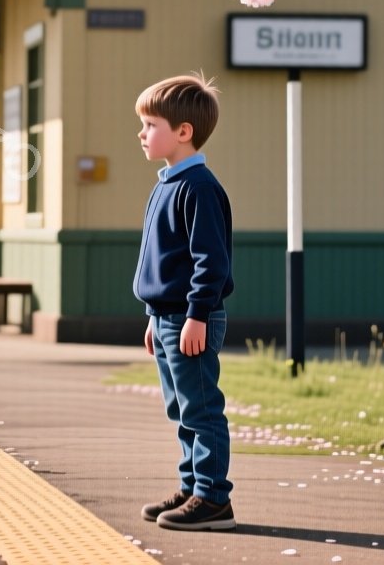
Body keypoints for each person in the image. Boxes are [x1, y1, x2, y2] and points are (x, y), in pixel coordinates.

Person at [132, 72, 236, 531]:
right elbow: (165, 264)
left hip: (191, 319)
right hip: (169, 318)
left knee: (201, 408)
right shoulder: (167, 184)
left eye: (150, 125)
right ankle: (192, 484)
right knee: (180, 408)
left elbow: (209, 262)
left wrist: (195, 316)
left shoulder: (198, 188)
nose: (141, 133)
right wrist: (155, 317)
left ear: (183, 132)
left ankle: (213, 499)